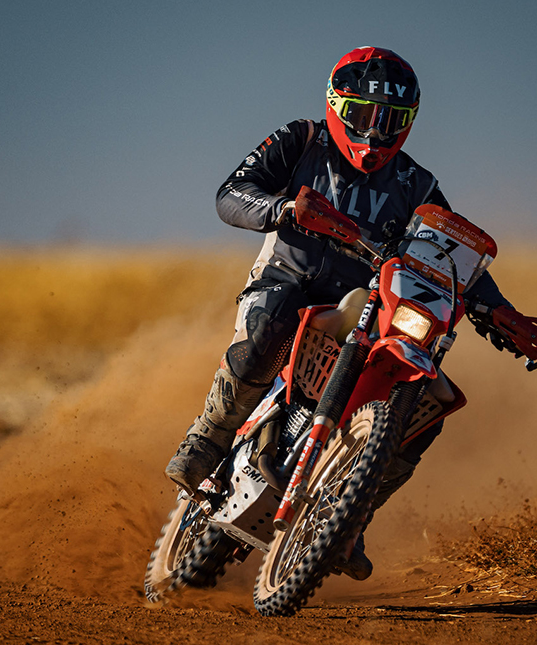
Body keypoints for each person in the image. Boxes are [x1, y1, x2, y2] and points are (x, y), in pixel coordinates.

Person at [164, 46, 517, 579]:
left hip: (365, 307)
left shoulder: (417, 187)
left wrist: (505, 313)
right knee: (273, 318)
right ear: (336, 104)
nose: (374, 134)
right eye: (362, 115)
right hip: (287, 280)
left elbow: (451, 259)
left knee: (428, 405)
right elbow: (230, 194)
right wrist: (283, 209)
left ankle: (348, 519)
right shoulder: (301, 139)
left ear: (409, 124)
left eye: (390, 121)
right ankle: (211, 435)